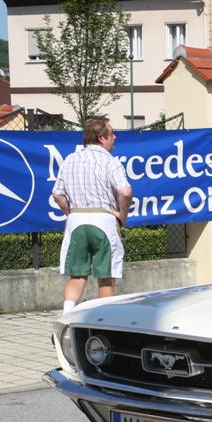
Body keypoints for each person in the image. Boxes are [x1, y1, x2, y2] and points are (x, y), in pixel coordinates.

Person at [52, 116, 133, 314]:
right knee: (106, 276)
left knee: (77, 275)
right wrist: (123, 215)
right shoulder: (110, 162)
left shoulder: (70, 159)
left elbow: (57, 194)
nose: (114, 138)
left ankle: (66, 317)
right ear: (101, 138)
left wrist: (69, 212)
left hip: (76, 221)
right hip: (103, 219)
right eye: (111, 134)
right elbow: (125, 192)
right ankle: (103, 321)